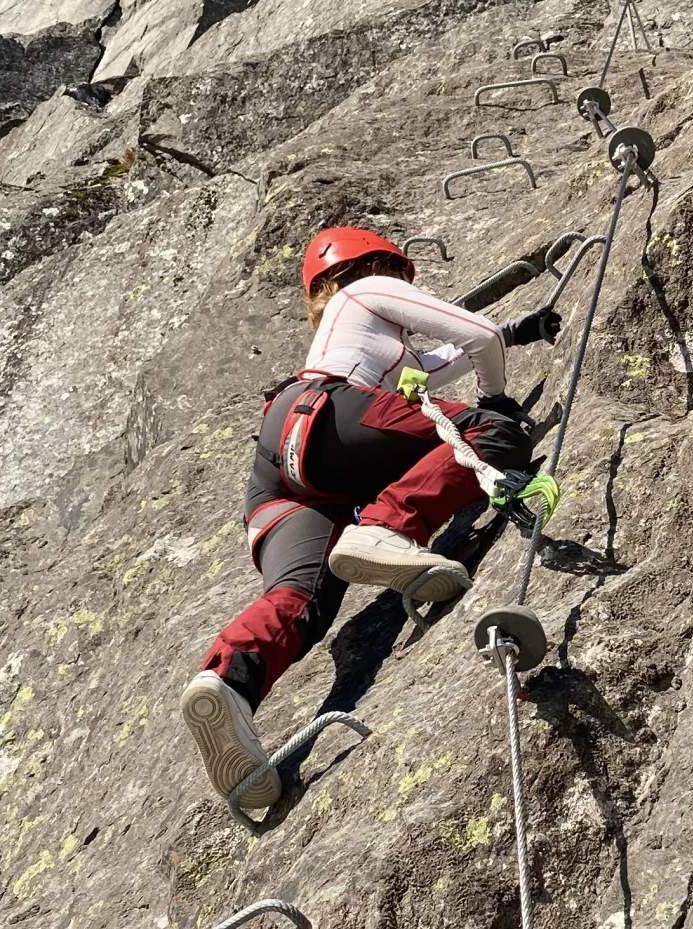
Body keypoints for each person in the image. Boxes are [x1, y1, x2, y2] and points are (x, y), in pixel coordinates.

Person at [179, 227, 563, 807]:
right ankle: (386, 528)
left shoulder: (353, 338)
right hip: (332, 416)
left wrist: (517, 331)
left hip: (284, 462)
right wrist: (496, 400)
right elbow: (477, 336)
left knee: (304, 598)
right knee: (492, 433)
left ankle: (229, 680)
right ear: (381, 265)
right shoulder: (367, 289)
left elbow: (441, 362)